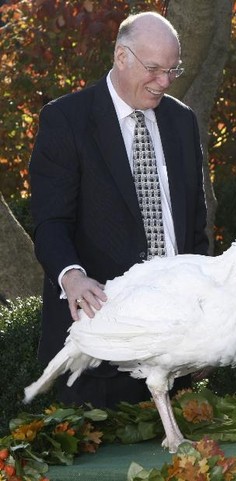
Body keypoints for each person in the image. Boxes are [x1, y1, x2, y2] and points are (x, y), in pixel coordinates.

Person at [29, 12, 209, 408]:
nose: (164, 82)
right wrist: (71, 277)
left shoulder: (182, 121)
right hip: (100, 345)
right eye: (154, 69)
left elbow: (195, 230)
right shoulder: (66, 120)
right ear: (121, 56)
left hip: (174, 345)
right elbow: (50, 221)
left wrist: (206, 318)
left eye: (172, 70)